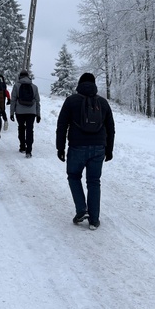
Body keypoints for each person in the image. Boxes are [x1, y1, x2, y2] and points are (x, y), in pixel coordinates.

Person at [55, 72, 115, 230]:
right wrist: (109, 149)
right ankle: (94, 220)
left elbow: (62, 126)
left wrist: (60, 147)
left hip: (77, 147)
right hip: (98, 148)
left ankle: (82, 209)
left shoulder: (71, 101)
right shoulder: (103, 103)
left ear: (79, 84)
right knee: (94, 182)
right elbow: (111, 128)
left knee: (74, 176)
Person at [10, 69, 41, 158]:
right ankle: (29, 151)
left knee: (21, 128)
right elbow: (38, 101)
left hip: (19, 112)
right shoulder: (34, 87)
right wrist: (38, 114)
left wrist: (12, 113)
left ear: (20, 77)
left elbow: (13, 100)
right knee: (30, 130)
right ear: (28, 76)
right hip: (31, 112)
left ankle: (22, 146)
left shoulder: (16, 86)